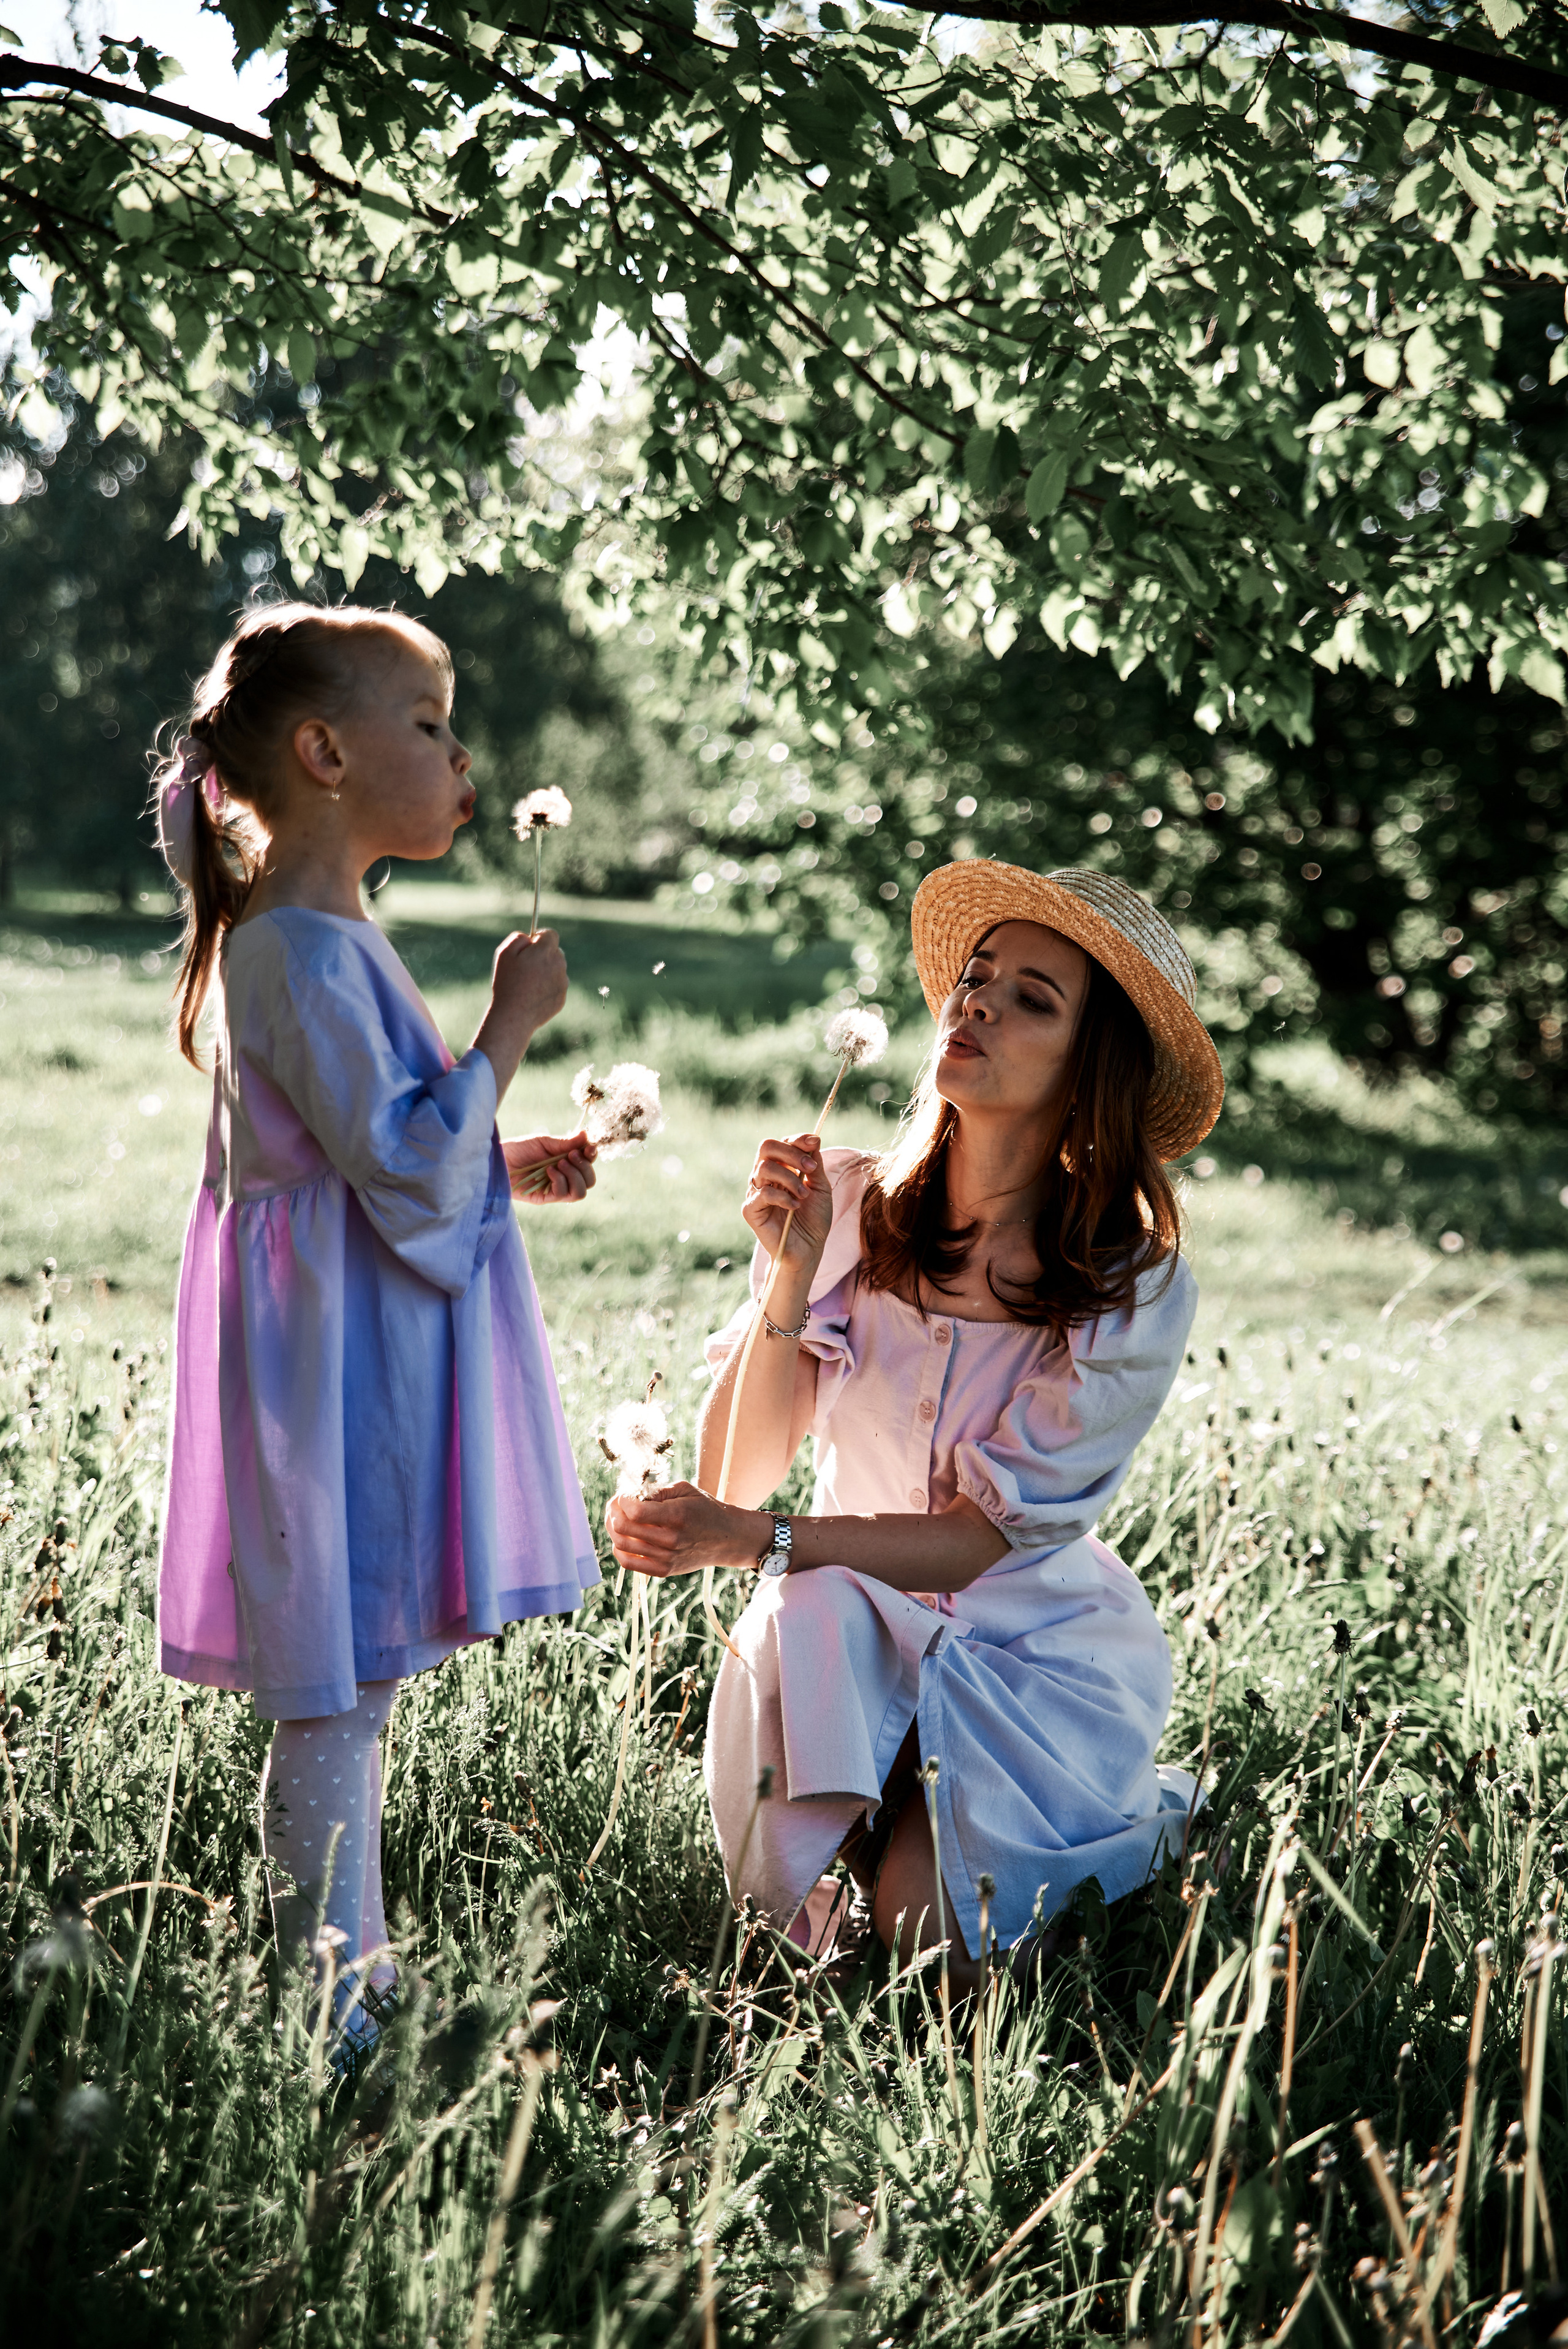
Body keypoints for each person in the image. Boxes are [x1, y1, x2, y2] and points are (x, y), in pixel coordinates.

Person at [609, 862, 1224, 1993]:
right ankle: (871, 1828)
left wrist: (757, 1539)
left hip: (1026, 1662)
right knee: (813, 1597)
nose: (977, 1001)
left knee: (928, 1943)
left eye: (1033, 998)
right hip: (841, 1644)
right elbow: (738, 1470)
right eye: (977, 976)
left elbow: (973, 1542)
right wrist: (790, 1274)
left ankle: (1148, 1825)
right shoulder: (852, 1207)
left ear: (1091, 1071)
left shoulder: (1127, 1283)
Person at [153, 602, 601, 2061]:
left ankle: (362, 1977)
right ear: (326, 753)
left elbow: (365, 1155)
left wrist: (500, 1156)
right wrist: (507, 1028)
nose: (461, 757)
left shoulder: (321, 936)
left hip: (361, 1354)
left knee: (356, 1688)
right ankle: (329, 2005)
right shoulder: (295, 949)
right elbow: (403, 1162)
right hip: (332, 1378)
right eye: (427, 725)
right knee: (334, 1690)